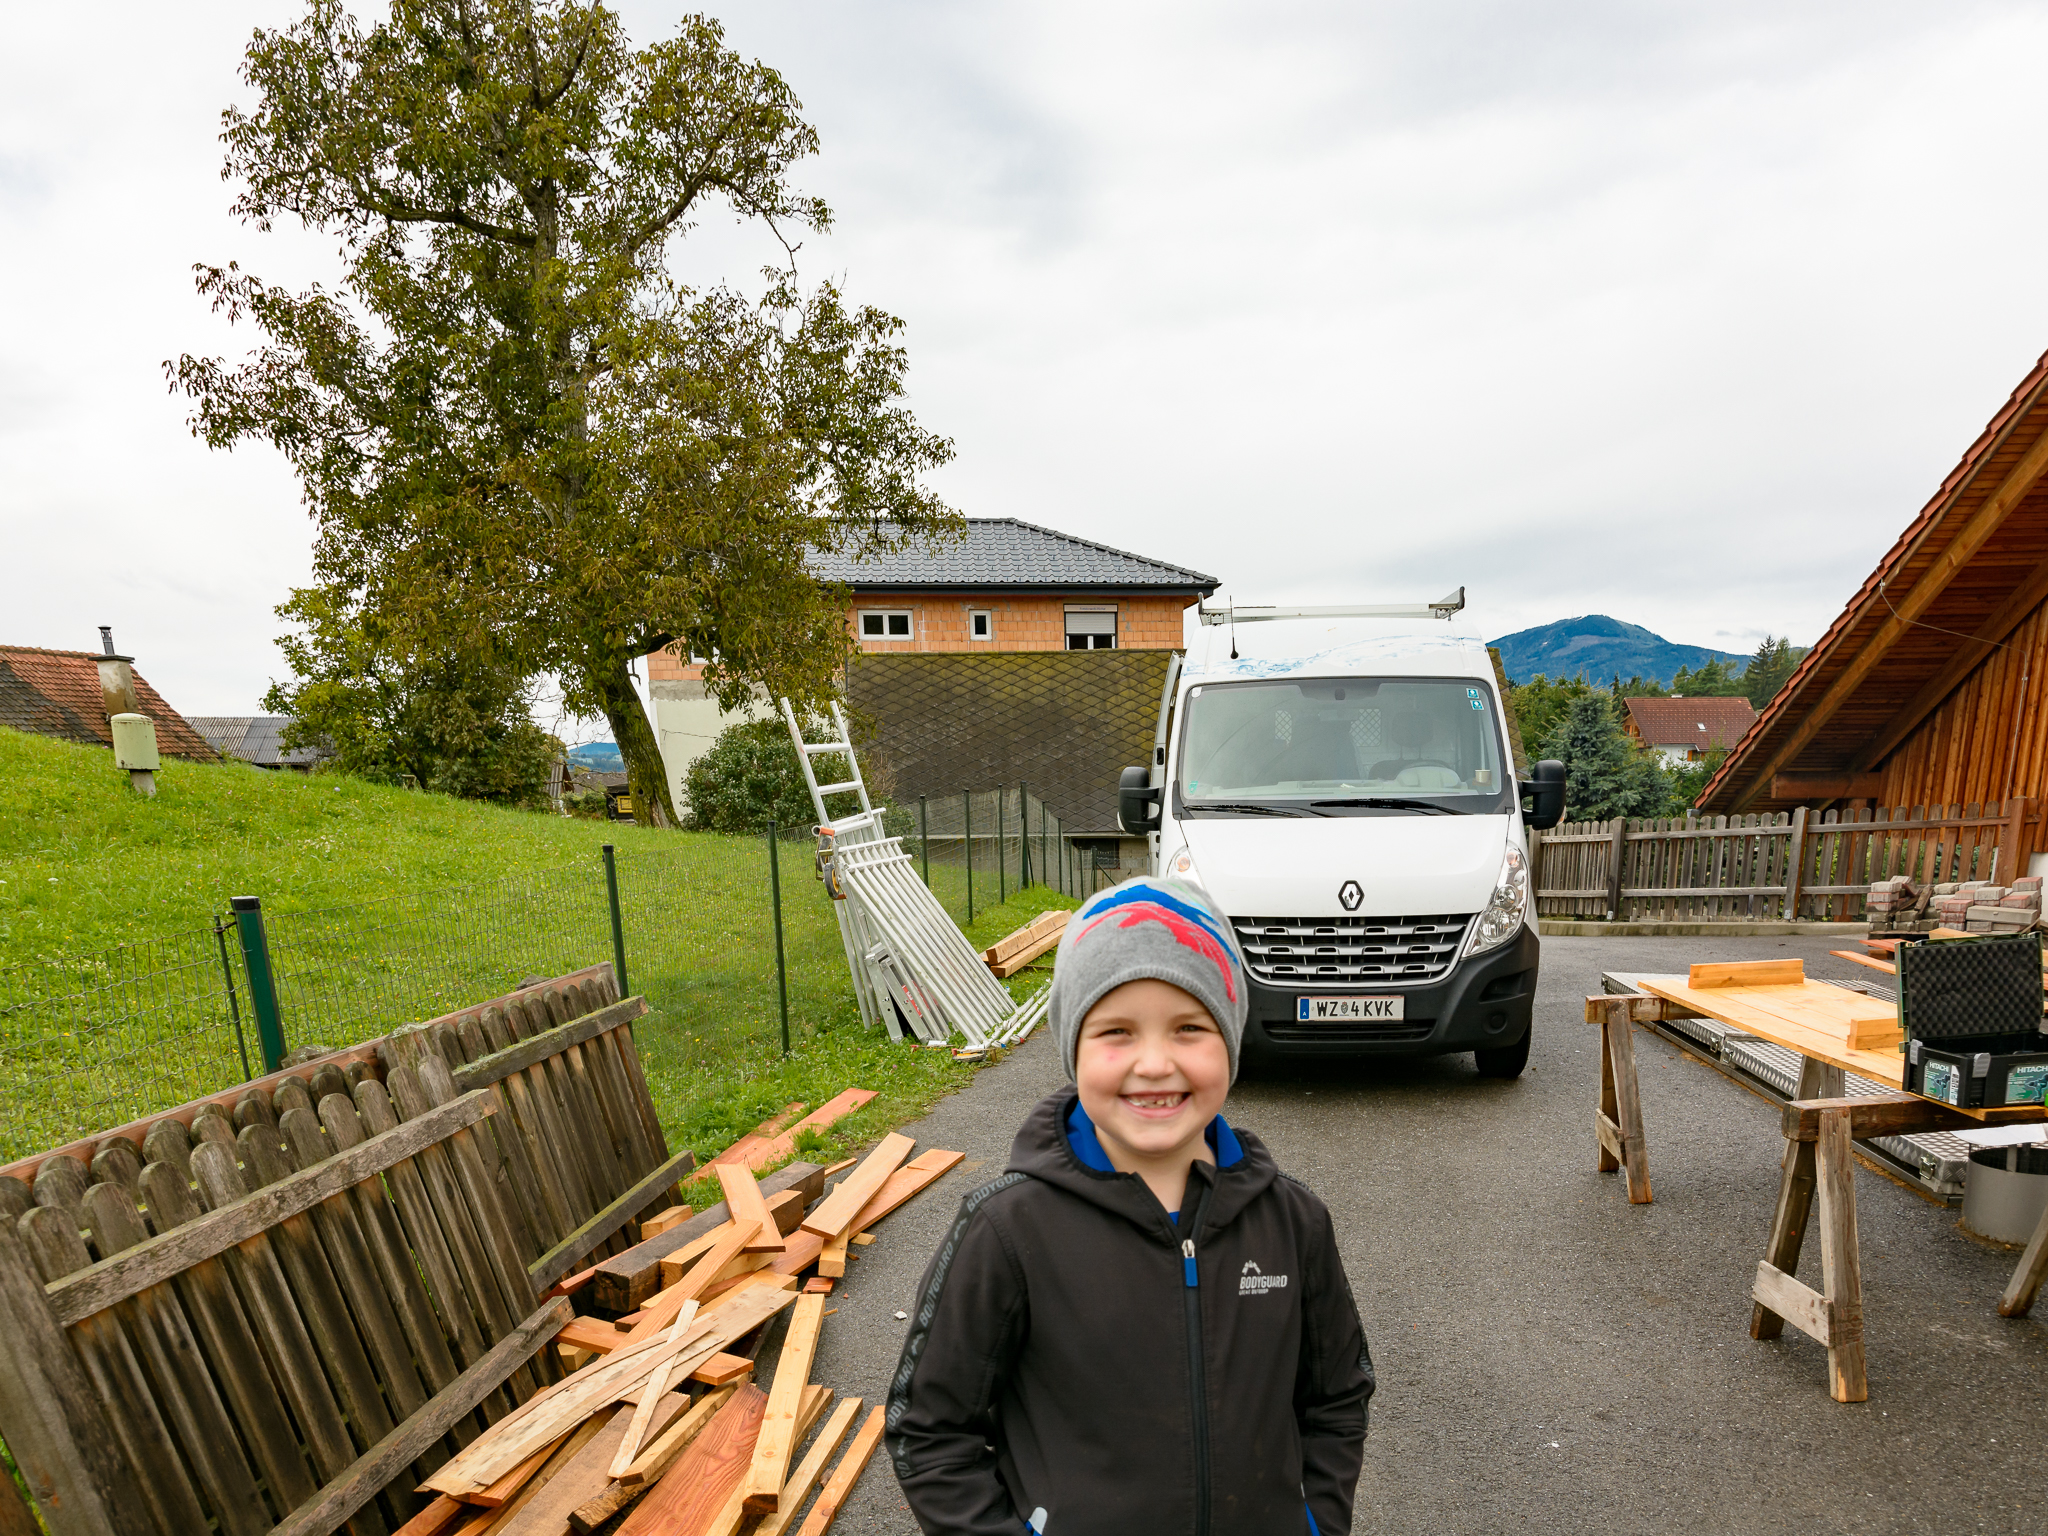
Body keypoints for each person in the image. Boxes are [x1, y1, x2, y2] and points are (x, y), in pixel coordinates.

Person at [887, 876, 1374, 1535]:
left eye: (1189, 1028)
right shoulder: (1007, 1232)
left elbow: (1337, 1396)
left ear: (1230, 1041)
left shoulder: (1292, 1223)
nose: (1153, 1064)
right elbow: (929, 1430)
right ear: (1073, 1048)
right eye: (1116, 1031)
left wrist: (1316, 1521)